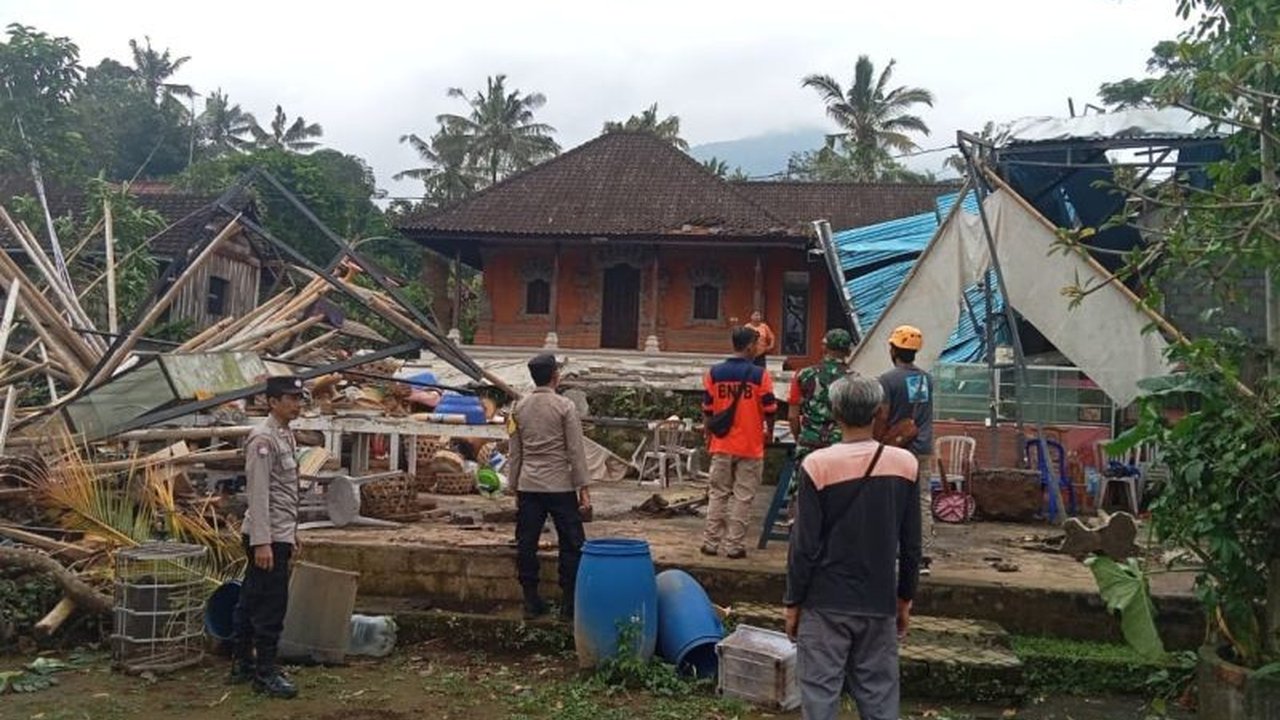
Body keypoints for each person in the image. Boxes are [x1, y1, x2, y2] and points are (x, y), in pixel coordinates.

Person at [784, 375, 921, 720]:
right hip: (879, 599)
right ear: (878, 412)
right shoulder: (905, 464)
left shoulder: (817, 465)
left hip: (825, 601)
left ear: (835, 412)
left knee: (819, 696)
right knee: (879, 698)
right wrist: (904, 598)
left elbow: (803, 546)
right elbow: (911, 544)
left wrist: (793, 602)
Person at [231, 375, 305, 699]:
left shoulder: (285, 434)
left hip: (279, 532)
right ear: (272, 402)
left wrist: (292, 533)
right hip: (267, 536)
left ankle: (243, 663)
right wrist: (263, 542)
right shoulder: (263, 439)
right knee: (271, 606)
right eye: (290, 398)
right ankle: (265, 673)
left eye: (299, 398)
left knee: (251, 598)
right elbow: (259, 494)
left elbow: (285, 491)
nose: (297, 404)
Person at [507, 353, 592, 621]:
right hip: (560, 486)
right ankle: (568, 603)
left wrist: (513, 486)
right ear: (555, 376)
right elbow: (575, 451)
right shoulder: (565, 406)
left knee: (526, 542)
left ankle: (531, 600)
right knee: (572, 543)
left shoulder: (518, 408)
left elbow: (515, 452)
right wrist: (583, 488)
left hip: (529, 485)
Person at [701, 326, 778, 559]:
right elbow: (770, 408)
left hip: (722, 443)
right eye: (757, 344)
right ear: (749, 346)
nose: (759, 348)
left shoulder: (715, 373)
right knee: (743, 497)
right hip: (750, 445)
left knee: (718, 494)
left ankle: (710, 543)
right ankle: (734, 546)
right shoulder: (760, 375)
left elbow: (707, 409)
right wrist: (769, 432)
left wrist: (708, 435)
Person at [878, 324, 935, 573]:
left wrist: (876, 441)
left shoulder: (887, 380)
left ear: (893, 350)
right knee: (922, 500)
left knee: (891, 501)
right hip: (922, 448)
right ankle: (921, 556)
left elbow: (883, 415)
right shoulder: (926, 379)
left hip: (896, 449)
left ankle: (890, 552)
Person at [788, 329, 854, 459]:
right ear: (848, 351)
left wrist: (800, 438)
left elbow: (792, 416)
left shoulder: (804, 375)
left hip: (809, 444)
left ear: (824, 348)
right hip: (841, 446)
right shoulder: (855, 380)